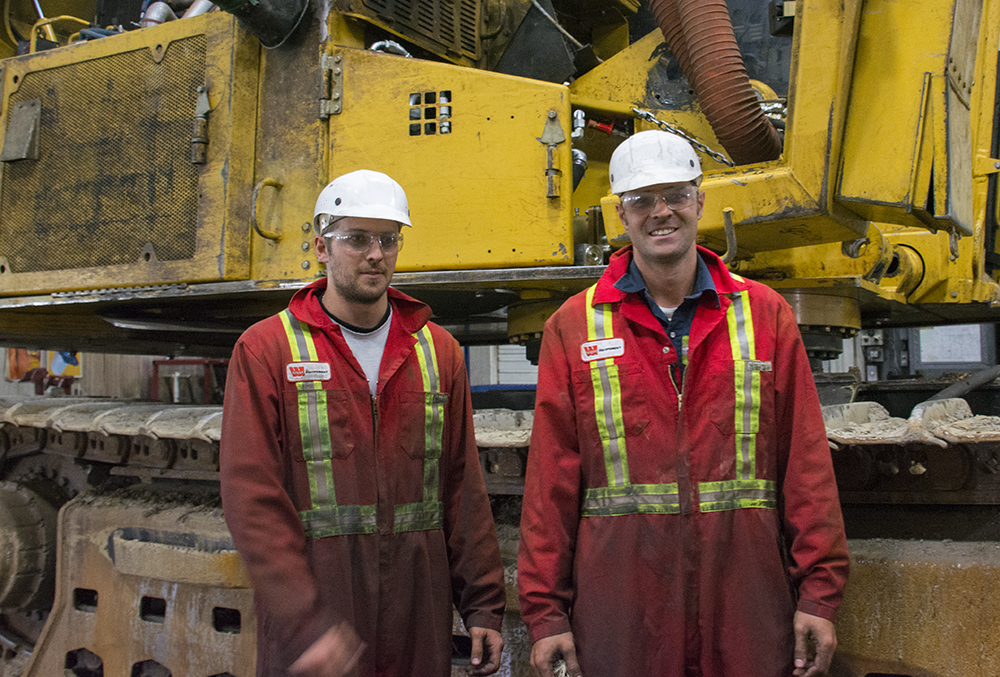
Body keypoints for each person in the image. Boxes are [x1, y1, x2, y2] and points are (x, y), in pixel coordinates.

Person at [517, 131, 849, 677]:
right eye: (642, 200)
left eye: (674, 194)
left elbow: (805, 465)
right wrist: (546, 615)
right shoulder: (573, 327)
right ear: (620, 214)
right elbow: (549, 482)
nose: (661, 212)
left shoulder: (764, 315)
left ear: (700, 200)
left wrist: (819, 595)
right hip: (622, 610)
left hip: (745, 602)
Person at [221, 169, 506, 677]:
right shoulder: (268, 349)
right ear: (322, 247)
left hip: (418, 614)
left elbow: (463, 486)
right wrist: (302, 619)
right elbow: (252, 498)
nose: (375, 253)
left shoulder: (438, 351)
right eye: (356, 238)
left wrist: (482, 603)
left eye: (388, 239)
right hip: (321, 622)